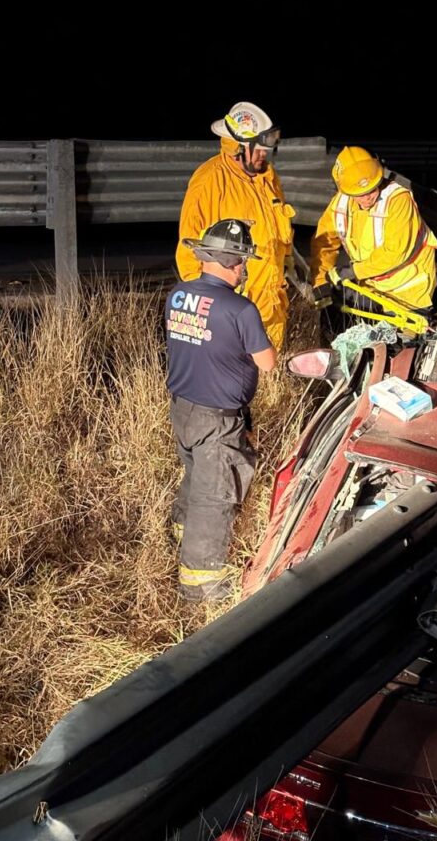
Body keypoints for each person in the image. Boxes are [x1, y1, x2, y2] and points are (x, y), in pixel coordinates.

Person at [166, 218, 277, 602]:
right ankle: (202, 584)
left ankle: (179, 533)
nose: (245, 269)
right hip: (218, 418)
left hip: (183, 408)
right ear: (233, 262)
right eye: (243, 262)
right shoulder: (241, 309)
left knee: (196, 477)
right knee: (216, 497)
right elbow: (267, 363)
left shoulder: (179, 295)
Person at [176, 101, 295, 351]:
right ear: (239, 148)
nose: (264, 155)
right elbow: (189, 251)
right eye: (259, 149)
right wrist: (209, 309)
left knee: (269, 381)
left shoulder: (267, 178)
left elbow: (280, 236)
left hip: (271, 308)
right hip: (233, 314)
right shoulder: (209, 182)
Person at [309, 146, 437, 314]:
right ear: (345, 189)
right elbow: (323, 243)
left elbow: (394, 252)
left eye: (372, 189)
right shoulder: (341, 203)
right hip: (372, 287)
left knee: (408, 338)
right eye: (360, 193)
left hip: (408, 288)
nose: (367, 197)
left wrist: (352, 271)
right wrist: (320, 282)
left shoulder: (399, 201)